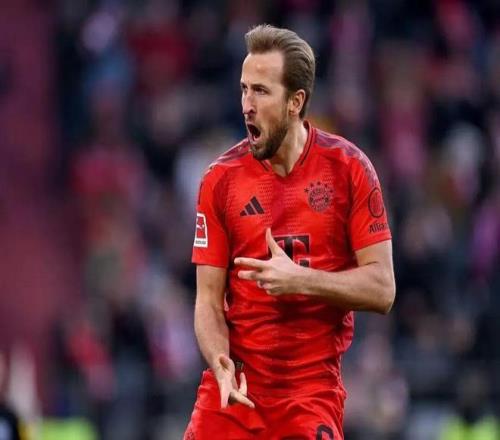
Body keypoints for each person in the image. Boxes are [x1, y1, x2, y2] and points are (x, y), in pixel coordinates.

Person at [184, 24, 395, 440]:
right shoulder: (220, 181)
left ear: (295, 101)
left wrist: (302, 280)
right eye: (244, 89)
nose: (247, 105)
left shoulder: (349, 170)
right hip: (235, 388)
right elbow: (207, 301)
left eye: (261, 92)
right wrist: (219, 361)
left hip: (310, 393)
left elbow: (383, 288)